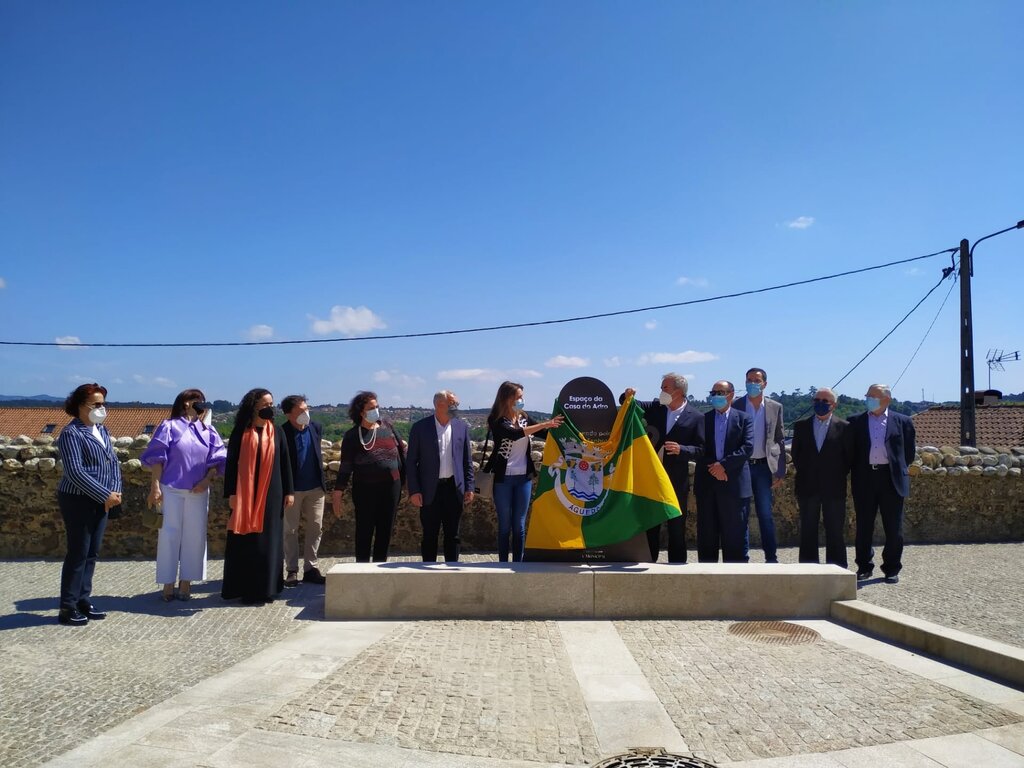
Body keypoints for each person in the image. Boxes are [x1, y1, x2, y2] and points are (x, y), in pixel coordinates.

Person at [140, 389, 227, 601]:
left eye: (201, 400)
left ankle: (186, 582)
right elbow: (157, 459)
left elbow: (218, 460)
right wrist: (155, 487)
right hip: (171, 488)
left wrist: (206, 481)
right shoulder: (168, 427)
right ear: (184, 403)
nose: (198, 403)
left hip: (198, 490)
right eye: (193, 399)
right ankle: (168, 583)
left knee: (195, 536)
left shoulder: (209, 430)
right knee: (169, 535)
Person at [54, 383, 122, 625]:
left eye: (103, 403)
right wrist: (105, 494)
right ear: (81, 406)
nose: (102, 408)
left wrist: (116, 491)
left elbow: (113, 462)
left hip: (102, 499)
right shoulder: (71, 434)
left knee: (92, 552)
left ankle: (83, 599)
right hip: (78, 500)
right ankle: (67, 606)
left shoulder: (101, 430)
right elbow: (75, 472)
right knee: (78, 552)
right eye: (97, 404)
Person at [622, 373, 704, 563]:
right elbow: (630, 404)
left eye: (665, 388)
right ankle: (649, 562)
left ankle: (677, 565)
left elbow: (702, 449)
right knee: (651, 523)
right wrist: (627, 394)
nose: (661, 391)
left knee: (677, 525)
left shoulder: (697, 417)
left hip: (677, 479)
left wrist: (682, 449)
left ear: (679, 391)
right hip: (652, 477)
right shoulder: (656, 407)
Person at [222, 388, 294, 604]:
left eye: (271, 404)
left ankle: (267, 589)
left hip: (272, 493)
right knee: (248, 542)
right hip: (245, 494)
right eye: (265, 404)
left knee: (269, 541)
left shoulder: (277, 432)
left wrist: (289, 491)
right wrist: (231, 493)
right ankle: (246, 589)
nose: (270, 408)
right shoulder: (240, 431)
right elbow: (231, 465)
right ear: (254, 406)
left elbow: (285, 462)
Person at [484, 381, 563, 562]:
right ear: (507, 398)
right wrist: (545, 423)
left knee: (519, 525)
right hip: (502, 479)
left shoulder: (524, 417)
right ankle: (503, 563)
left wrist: (560, 428)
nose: (521, 400)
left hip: (523, 478)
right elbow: (514, 434)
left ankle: (518, 564)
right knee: (505, 525)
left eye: (522, 397)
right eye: (518, 397)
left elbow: (546, 434)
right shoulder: (496, 420)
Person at [848, 384, 916, 584]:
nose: (868, 399)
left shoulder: (903, 422)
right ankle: (864, 567)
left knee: (893, 527)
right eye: (868, 395)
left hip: (891, 478)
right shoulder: (855, 421)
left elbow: (908, 454)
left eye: (873, 396)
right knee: (863, 525)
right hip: (864, 478)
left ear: (886, 399)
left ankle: (892, 568)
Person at [331, 391, 405, 562]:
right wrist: (338, 491)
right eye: (371, 408)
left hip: (391, 487)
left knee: (385, 530)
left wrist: (407, 481)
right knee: (364, 530)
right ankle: (362, 568)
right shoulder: (352, 436)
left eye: (377, 407)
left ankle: (380, 568)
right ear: (361, 412)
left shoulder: (388, 426)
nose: (376, 410)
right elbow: (346, 466)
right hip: (365, 489)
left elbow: (402, 452)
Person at [407, 390, 475, 562]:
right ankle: (428, 574)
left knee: (453, 534)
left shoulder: (461, 427)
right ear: (439, 405)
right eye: (453, 403)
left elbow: (467, 460)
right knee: (430, 534)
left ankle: (452, 572)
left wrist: (469, 486)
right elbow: (411, 462)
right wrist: (414, 490)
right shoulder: (420, 428)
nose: (456, 407)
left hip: (454, 488)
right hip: (430, 489)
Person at [694, 380, 753, 563]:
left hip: (734, 485)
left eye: (721, 392)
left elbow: (747, 447)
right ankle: (707, 580)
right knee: (707, 537)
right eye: (714, 392)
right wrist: (715, 468)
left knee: (735, 537)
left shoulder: (744, 419)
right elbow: (699, 448)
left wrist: (724, 466)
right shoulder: (704, 419)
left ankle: (737, 583)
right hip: (708, 485)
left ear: (731, 395)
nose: (716, 396)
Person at [791, 387, 850, 568]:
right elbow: (796, 454)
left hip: (834, 487)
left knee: (835, 530)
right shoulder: (801, 426)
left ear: (834, 404)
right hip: (807, 486)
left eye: (825, 401)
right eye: (817, 400)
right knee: (808, 529)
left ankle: (837, 568)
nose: (820, 404)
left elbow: (849, 458)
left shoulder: (844, 427)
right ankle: (808, 568)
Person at [731, 367, 786, 563]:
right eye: (749, 380)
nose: (752, 383)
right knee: (741, 515)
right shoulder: (736, 405)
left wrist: (779, 470)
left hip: (764, 468)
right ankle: (742, 559)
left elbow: (779, 438)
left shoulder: (775, 407)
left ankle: (771, 559)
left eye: (757, 380)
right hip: (742, 468)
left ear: (765, 383)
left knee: (765, 515)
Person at [280, 394, 327, 586]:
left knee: (316, 527)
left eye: (307, 409)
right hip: (292, 490)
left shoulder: (315, 428)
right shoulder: (281, 432)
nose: (306, 413)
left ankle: (311, 568)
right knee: (289, 530)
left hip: (315, 488)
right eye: (301, 411)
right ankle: (291, 569)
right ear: (288, 414)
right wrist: (286, 490)